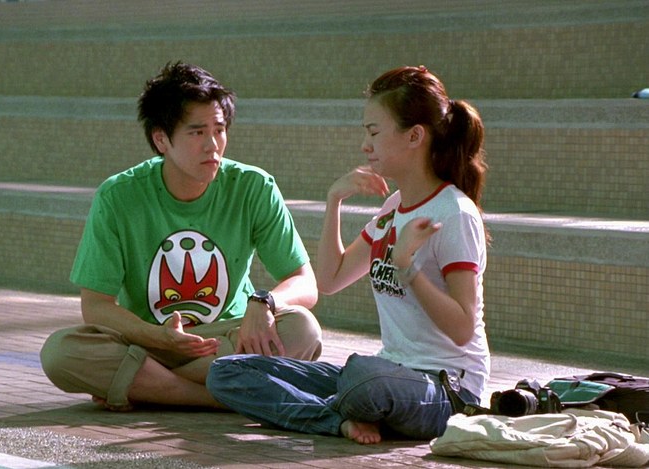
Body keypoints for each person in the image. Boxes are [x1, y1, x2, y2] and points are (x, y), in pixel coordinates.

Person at [206, 65, 491, 444]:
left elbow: (462, 329)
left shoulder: (454, 213)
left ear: (414, 136)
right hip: (390, 374)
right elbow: (331, 279)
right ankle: (334, 420)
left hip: (445, 390)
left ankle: (334, 409)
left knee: (363, 381)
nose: (365, 145)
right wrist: (334, 200)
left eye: (374, 132)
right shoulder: (394, 207)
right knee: (228, 372)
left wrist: (407, 267)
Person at [40, 62, 322, 411]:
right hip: (152, 342)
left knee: (302, 329)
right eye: (196, 132)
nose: (212, 145)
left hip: (228, 338)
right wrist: (159, 337)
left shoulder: (253, 187)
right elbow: (96, 306)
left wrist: (262, 303)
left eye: (219, 130)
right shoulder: (118, 196)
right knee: (61, 352)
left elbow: (304, 282)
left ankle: (150, 389)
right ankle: (220, 395)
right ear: (161, 139)